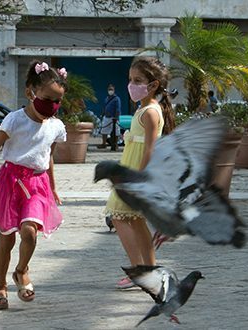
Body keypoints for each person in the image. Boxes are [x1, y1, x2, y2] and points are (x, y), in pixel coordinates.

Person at [0, 61, 67, 310]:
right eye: (47, 98)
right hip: (9, 182)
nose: (52, 106)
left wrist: (53, 187)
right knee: (6, 239)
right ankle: (0, 287)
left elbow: (47, 156)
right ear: (31, 92)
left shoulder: (56, 126)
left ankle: (21, 270)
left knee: (30, 231)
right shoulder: (14, 120)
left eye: (57, 100)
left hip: (38, 184)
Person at [104, 56, 176, 289]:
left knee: (118, 214)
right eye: (130, 80)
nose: (131, 85)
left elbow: (150, 149)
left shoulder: (151, 112)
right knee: (135, 221)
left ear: (153, 85)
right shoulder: (143, 109)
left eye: (137, 80)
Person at [97, 84, 122, 149]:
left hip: (113, 118)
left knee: (116, 131)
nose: (110, 91)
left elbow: (118, 108)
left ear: (114, 90)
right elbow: (105, 107)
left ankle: (115, 144)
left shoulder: (117, 99)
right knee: (104, 130)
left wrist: (116, 117)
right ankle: (103, 144)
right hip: (106, 117)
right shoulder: (107, 98)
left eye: (111, 89)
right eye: (109, 89)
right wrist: (102, 114)